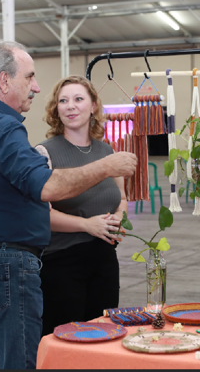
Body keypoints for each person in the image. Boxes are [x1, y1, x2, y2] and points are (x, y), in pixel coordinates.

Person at [0, 40, 137, 370]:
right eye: (29, 77)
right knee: (21, 362)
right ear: (4, 81)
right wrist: (107, 167)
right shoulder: (3, 127)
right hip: (5, 263)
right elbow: (47, 186)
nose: (35, 86)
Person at [35, 76, 127, 336]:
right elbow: (40, 213)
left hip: (105, 260)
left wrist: (120, 217)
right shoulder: (44, 152)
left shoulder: (107, 152)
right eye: (63, 101)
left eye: (78, 99)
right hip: (62, 264)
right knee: (65, 339)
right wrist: (86, 225)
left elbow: (121, 197)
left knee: (103, 335)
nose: (70, 106)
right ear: (56, 109)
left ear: (94, 106)